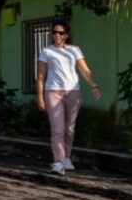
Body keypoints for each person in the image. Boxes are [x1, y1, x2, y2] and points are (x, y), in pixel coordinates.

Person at [36, 20, 100, 175]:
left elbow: (84, 69)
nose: (57, 35)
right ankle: (58, 162)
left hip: (73, 92)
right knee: (58, 129)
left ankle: (66, 157)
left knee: (69, 129)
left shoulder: (74, 50)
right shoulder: (46, 51)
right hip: (53, 92)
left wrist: (94, 85)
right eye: (54, 32)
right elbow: (40, 76)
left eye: (61, 33)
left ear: (66, 35)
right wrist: (40, 97)